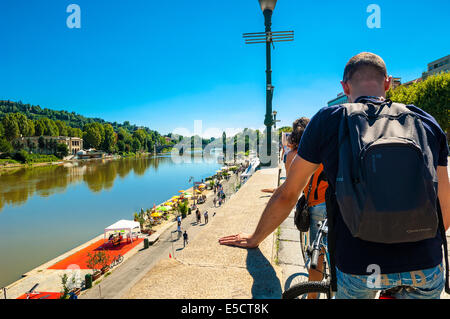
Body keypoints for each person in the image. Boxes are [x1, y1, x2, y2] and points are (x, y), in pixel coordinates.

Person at [219, 52, 450, 299]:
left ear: (345, 86)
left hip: (358, 265)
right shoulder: (425, 122)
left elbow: (289, 194)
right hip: (425, 263)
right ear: (388, 83)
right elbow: (444, 205)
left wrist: (255, 238)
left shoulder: (329, 120)